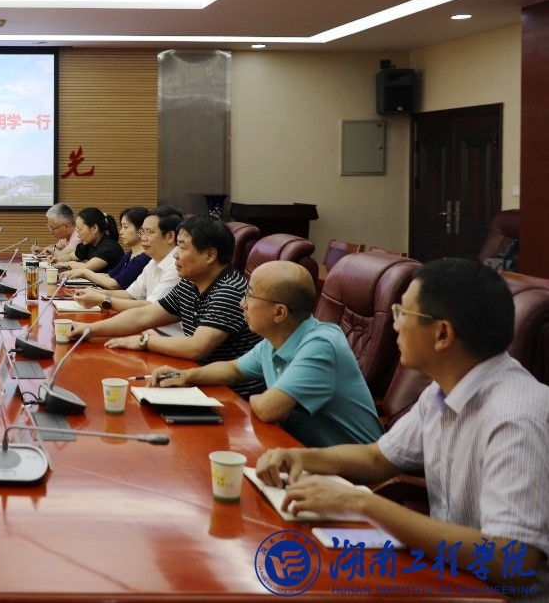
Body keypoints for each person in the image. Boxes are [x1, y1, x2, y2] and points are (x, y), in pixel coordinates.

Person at [256, 259, 548, 592]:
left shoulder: (516, 417)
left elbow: (513, 561)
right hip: (450, 575)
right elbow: (378, 458)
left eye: (403, 313)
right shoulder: (441, 391)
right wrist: (300, 458)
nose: (395, 325)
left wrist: (359, 502)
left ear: (442, 334)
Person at [148, 260, 382, 447]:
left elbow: (269, 409)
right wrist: (186, 376)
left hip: (356, 479)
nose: (242, 303)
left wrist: (252, 399)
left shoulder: (321, 345)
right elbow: (233, 369)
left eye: (250, 296)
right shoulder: (277, 338)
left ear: (279, 312)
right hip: (300, 453)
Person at [81, 216, 263, 398]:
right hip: (199, 379)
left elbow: (196, 347)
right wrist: (89, 329)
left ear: (210, 255)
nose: (175, 254)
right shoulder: (190, 284)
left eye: (182, 247)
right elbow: (144, 315)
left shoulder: (229, 290)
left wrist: (144, 341)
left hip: (232, 396)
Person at [71, 206, 183, 330]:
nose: (143, 238)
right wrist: (98, 293)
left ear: (170, 237)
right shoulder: (153, 261)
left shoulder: (177, 265)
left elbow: (151, 308)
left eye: (149, 232)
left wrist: (103, 299)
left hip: (165, 335)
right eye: (142, 232)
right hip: (149, 329)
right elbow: (131, 294)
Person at [64, 206, 150, 290]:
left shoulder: (143, 258)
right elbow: (109, 275)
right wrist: (81, 275)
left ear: (141, 230)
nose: (121, 232)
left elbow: (115, 284)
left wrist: (84, 273)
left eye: (125, 227)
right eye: (121, 227)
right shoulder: (129, 255)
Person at [56, 207, 123, 274]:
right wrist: (58, 260)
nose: (78, 235)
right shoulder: (88, 244)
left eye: (80, 230)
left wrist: (67, 264)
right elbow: (70, 257)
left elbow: (86, 268)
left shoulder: (110, 248)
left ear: (94, 228)